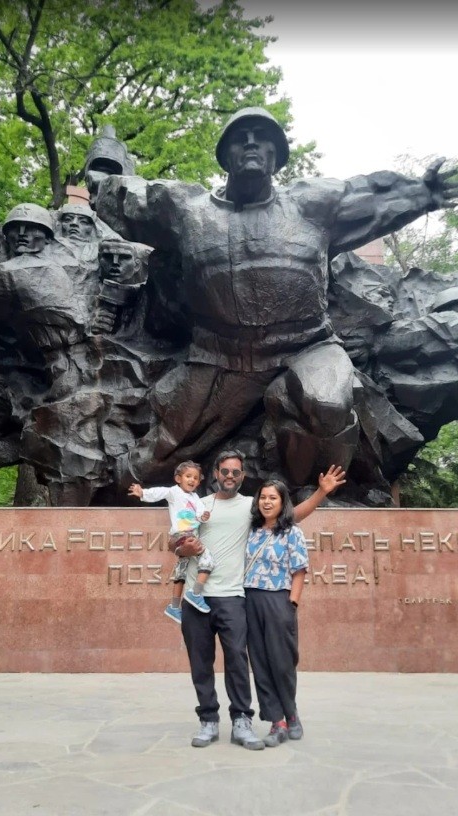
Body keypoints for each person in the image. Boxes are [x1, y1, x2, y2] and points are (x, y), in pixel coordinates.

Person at [96, 106, 458, 492]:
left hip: (308, 345)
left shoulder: (312, 204)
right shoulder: (188, 210)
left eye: (263, 137)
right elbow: (129, 199)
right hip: (221, 356)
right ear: (225, 155)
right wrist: (100, 181)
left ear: (277, 155)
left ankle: (303, 493)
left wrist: (425, 193)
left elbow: (370, 195)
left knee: (327, 402)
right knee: (147, 466)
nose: (252, 143)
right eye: (241, 137)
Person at [173, 449, 345, 750]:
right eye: (225, 471)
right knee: (200, 663)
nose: (229, 476)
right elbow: (174, 540)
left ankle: (242, 720)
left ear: (242, 475)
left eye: (235, 472)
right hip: (196, 597)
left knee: (238, 662)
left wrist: (321, 493)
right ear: (215, 474)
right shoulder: (196, 505)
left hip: (233, 597)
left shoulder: (250, 508)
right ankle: (208, 720)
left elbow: (290, 516)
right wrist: (180, 548)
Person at [245, 479, 309, 747]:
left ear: (283, 502)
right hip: (249, 599)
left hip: (278, 600)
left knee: (282, 663)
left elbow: (299, 570)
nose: (267, 502)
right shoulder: (250, 530)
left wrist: (291, 604)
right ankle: (277, 722)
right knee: (260, 664)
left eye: (273, 498)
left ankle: (291, 714)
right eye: (263, 497)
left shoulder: (292, 532)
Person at [128, 461, 214, 623]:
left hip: (190, 535)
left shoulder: (195, 497)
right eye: (188, 476)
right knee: (208, 560)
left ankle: (174, 607)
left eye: (195, 478)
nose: (192, 480)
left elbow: (200, 513)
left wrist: (204, 516)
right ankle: (195, 593)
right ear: (178, 478)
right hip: (183, 535)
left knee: (181, 572)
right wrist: (142, 493)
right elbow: (159, 492)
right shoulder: (174, 492)